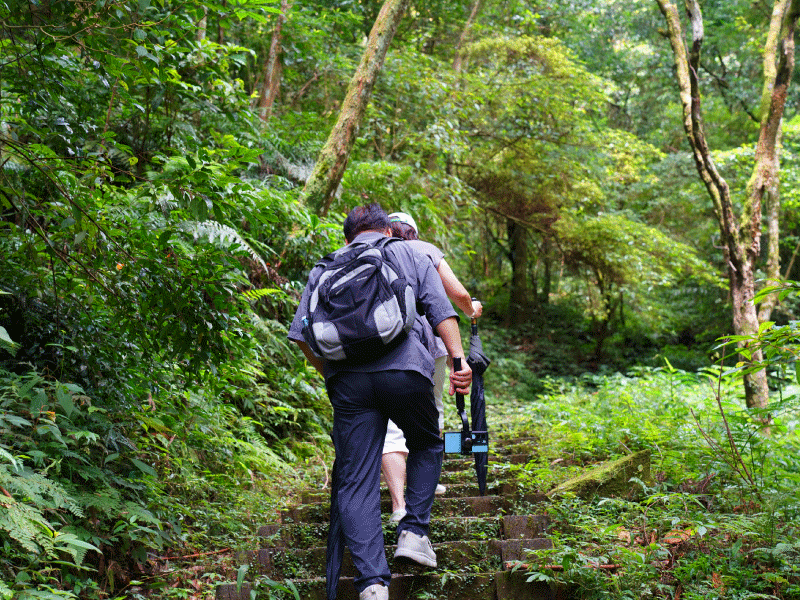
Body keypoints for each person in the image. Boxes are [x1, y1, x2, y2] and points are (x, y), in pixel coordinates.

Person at [288, 203, 472, 600]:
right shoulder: (410, 251)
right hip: (406, 372)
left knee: (355, 480)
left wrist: (333, 376)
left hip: (348, 385)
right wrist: (458, 361)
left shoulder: (325, 266)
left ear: (348, 237)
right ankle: (413, 532)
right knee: (426, 442)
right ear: (388, 230)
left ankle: (372, 583)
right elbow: (442, 312)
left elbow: (301, 336)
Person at [382, 212, 483, 524]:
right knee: (431, 408)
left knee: (389, 422)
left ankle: (399, 504)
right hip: (434, 341)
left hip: (389, 344)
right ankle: (425, 482)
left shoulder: (375, 252)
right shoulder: (426, 249)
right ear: (414, 231)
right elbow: (459, 294)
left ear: (387, 230)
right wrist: (472, 309)